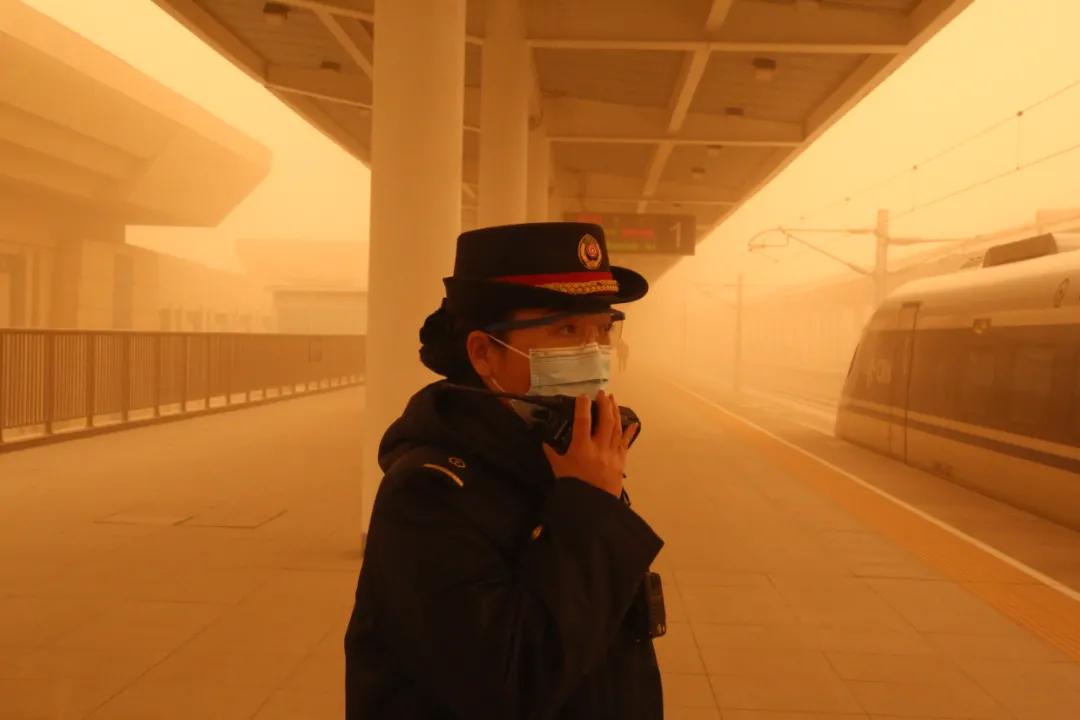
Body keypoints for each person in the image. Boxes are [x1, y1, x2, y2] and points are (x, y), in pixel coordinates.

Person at [345, 222, 664, 719]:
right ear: (484, 353)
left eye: (603, 329)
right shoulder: (429, 493)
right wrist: (589, 508)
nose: (595, 352)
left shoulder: (559, 451)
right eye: (566, 329)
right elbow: (507, 689)